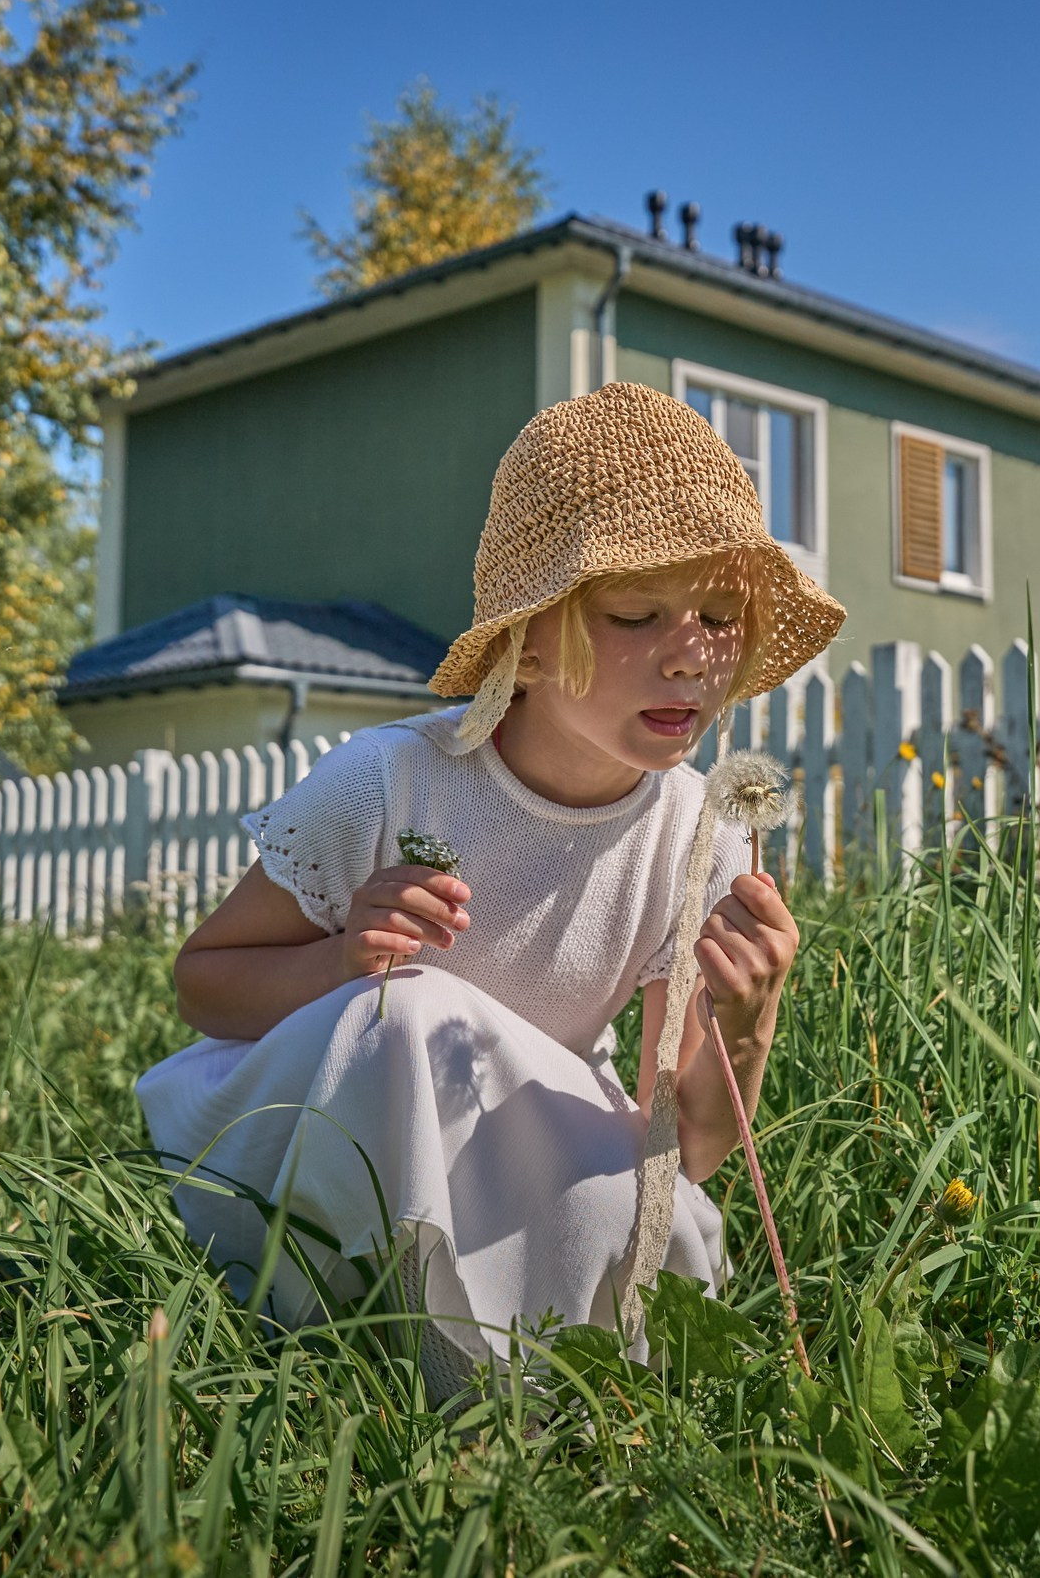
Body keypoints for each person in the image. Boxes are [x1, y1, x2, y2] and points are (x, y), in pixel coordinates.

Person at [137, 380, 846, 1397]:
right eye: (637, 614)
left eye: (722, 617)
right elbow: (203, 983)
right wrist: (340, 960)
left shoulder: (700, 839)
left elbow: (681, 1149)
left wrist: (748, 1026)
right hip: (318, 1125)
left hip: (514, 1142)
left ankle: (504, 1388)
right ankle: (408, 1362)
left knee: (658, 1237)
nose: (692, 654)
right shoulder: (389, 782)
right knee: (414, 1014)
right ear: (532, 631)